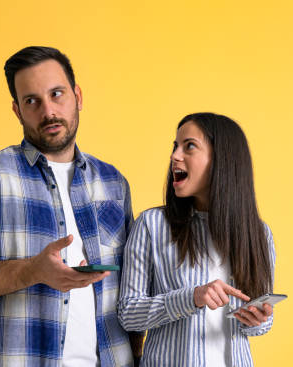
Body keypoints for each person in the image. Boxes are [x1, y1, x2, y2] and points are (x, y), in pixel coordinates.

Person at [0, 46, 142, 367]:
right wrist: (31, 271)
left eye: (57, 94)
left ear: (78, 96)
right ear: (17, 110)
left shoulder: (113, 182)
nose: (48, 111)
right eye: (32, 101)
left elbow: (130, 288)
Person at [117, 113, 276, 367]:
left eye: (189, 146)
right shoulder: (151, 225)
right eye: (175, 146)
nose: (174, 156)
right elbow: (128, 314)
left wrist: (259, 319)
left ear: (222, 160)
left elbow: (257, 328)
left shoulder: (258, 234)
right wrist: (191, 298)